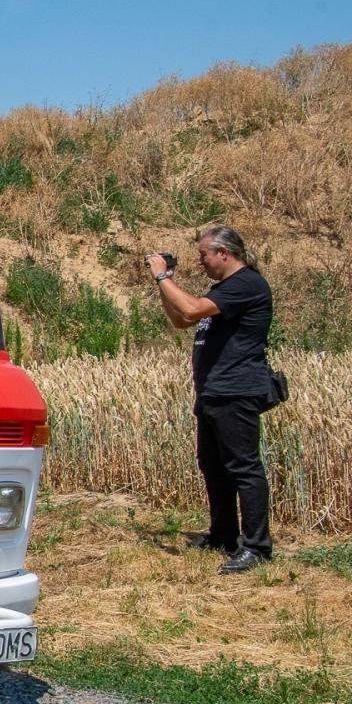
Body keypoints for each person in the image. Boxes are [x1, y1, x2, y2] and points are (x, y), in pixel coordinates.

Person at [148, 225, 275, 574]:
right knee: (213, 466)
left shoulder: (246, 284)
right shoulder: (225, 290)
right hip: (214, 392)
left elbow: (189, 309)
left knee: (244, 468)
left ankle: (256, 547)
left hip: (237, 391)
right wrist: (164, 283)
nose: (200, 261)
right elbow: (180, 319)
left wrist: (162, 277)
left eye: (204, 254)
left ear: (224, 252)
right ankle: (223, 535)